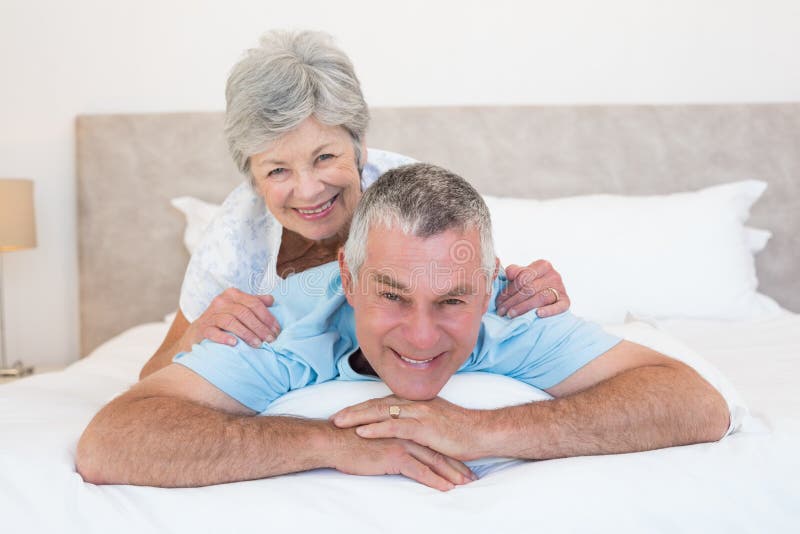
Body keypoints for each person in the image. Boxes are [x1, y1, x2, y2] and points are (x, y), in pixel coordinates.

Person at [77, 163, 730, 491]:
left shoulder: (509, 309)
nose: (422, 338)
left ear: (487, 281)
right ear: (350, 280)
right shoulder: (291, 321)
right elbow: (110, 441)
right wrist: (324, 444)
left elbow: (696, 404)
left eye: (451, 302)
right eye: (392, 298)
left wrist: (483, 431)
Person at [139, 30, 571, 379]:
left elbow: (467, 297)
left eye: (324, 157)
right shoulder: (234, 237)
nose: (308, 191)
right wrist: (197, 335)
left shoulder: (411, 197)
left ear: (360, 147)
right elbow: (152, 378)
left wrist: (529, 296)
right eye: (277, 171)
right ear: (253, 180)